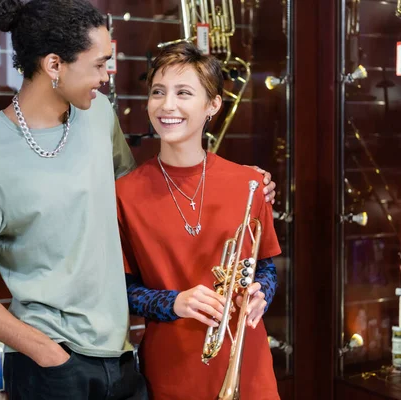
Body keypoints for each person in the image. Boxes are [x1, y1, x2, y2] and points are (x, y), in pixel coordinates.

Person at [0, 0, 277, 398]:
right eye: (98, 64)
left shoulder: (97, 112)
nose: (106, 76)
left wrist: (246, 185)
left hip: (121, 357)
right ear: (54, 66)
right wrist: (46, 352)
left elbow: (140, 195)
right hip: (53, 365)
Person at [116, 42, 282, 400]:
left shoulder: (250, 184)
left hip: (248, 364)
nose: (167, 105)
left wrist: (261, 295)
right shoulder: (123, 194)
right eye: (158, 92)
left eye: (184, 93)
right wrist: (175, 303)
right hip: (173, 369)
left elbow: (265, 267)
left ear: (213, 106)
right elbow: (121, 291)